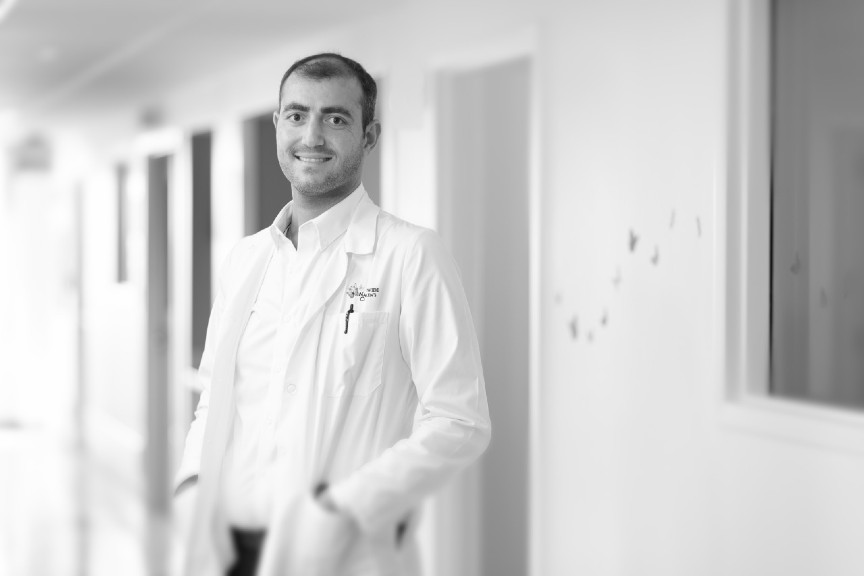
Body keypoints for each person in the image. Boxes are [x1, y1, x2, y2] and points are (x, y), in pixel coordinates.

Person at [173, 53, 491, 576]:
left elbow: (459, 420)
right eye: (297, 115)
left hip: (341, 554)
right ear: (277, 125)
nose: (312, 136)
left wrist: (344, 509)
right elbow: (216, 396)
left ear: (369, 136)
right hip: (228, 552)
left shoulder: (410, 255)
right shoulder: (246, 260)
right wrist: (191, 482)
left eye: (336, 118)